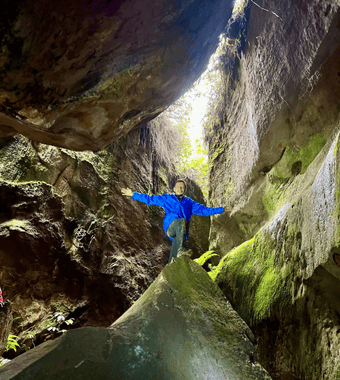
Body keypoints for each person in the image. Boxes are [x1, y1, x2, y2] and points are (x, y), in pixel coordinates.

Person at [121, 179, 229, 263]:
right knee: (181, 223)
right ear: (174, 188)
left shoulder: (189, 203)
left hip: (181, 233)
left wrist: (222, 209)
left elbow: (205, 210)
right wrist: (133, 194)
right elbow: (150, 199)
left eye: (182, 187)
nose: (180, 188)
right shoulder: (167, 198)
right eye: (178, 186)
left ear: (184, 190)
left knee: (174, 258)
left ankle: (170, 270)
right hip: (171, 227)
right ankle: (181, 250)